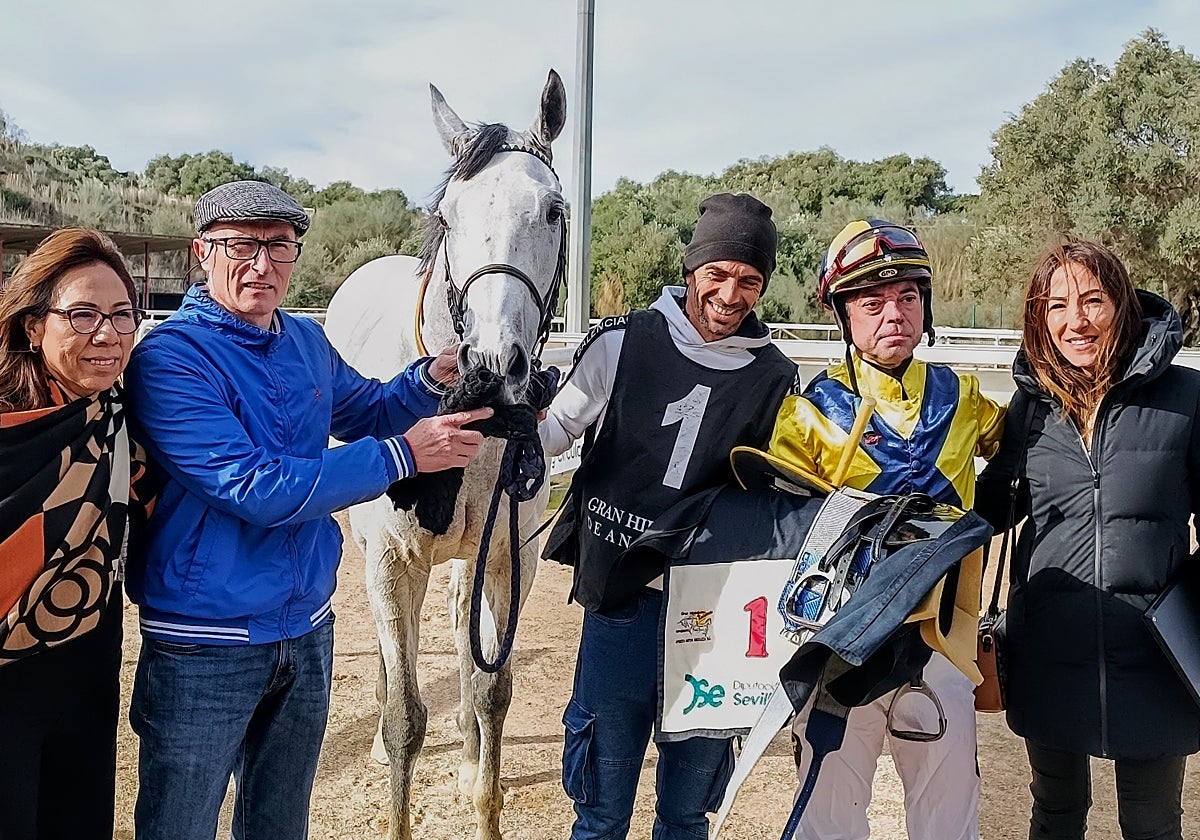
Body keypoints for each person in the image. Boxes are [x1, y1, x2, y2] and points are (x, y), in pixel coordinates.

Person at [122, 180, 491, 840]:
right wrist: (403, 456)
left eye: (280, 246)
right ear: (201, 253)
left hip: (306, 630)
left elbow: (367, 411)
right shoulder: (171, 358)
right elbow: (257, 488)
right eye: (241, 245)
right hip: (207, 645)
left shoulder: (302, 340)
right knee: (180, 824)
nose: (262, 265)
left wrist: (428, 378)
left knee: (280, 823)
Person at [540, 192, 798, 840]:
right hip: (622, 603)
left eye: (749, 279)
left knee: (686, 814)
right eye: (718, 273)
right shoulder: (620, 344)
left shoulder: (775, 376)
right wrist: (496, 420)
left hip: (713, 616)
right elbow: (555, 432)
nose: (730, 293)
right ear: (691, 271)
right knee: (601, 810)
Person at [762, 219, 1005, 840]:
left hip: (942, 641)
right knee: (828, 820)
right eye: (872, 303)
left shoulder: (966, 398)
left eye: (908, 298)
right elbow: (779, 533)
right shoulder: (809, 412)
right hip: (844, 643)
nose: (893, 314)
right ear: (844, 317)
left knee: (950, 817)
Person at [976, 239, 1200, 840]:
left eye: (1093, 301)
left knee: (1153, 824)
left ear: (1122, 304)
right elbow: (992, 508)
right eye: (1056, 306)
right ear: (1038, 318)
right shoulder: (1031, 408)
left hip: (1158, 653)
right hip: (1050, 645)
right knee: (1055, 814)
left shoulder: (1187, 399)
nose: (1076, 321)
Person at [0, 228, 155, 840]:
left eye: (122, 315)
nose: (107, 335)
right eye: (83, 314)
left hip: (87, 658)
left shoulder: (121, 417)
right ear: (34, 325)